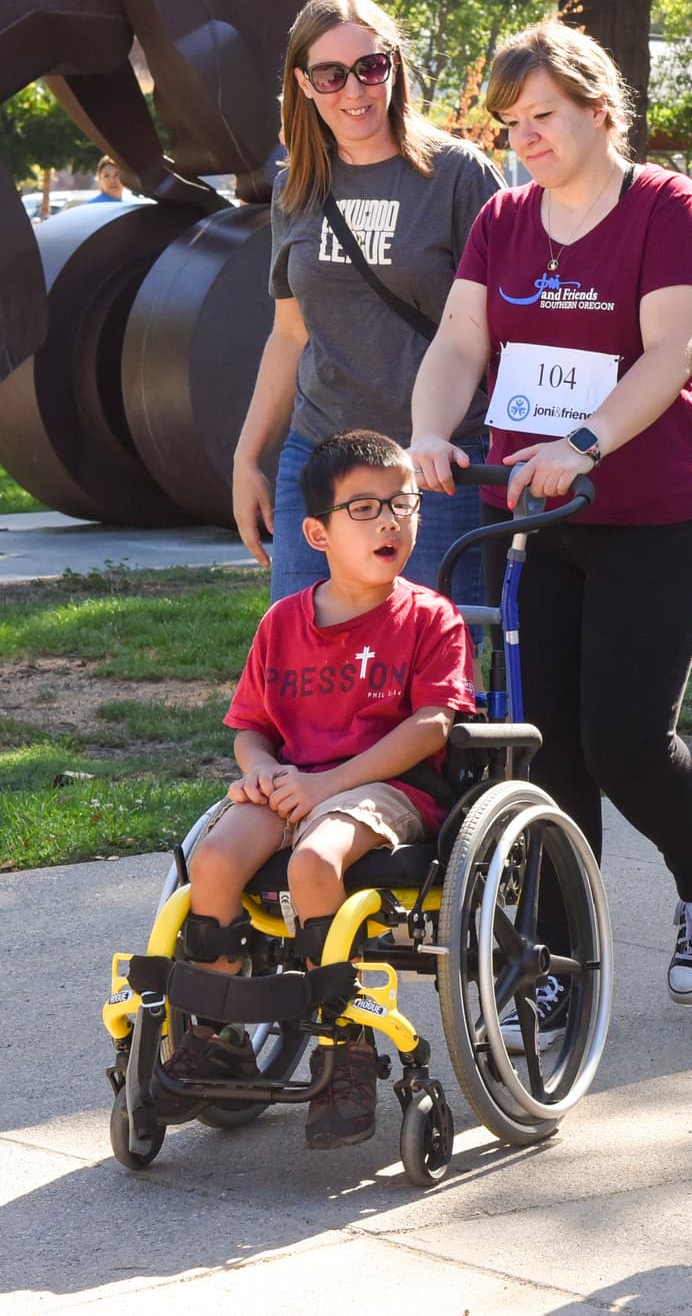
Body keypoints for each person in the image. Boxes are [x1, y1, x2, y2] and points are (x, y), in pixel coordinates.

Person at [408, 19, 692, 1039]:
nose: (526, 140)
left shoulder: (665, 203)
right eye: (512, 123)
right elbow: (463, 338)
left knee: (626, 739)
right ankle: (558, 954)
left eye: (544, 116)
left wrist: (587, 442)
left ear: (602, 109)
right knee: (548, 748)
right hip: (538, 513)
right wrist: (427, 428)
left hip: (651, 510)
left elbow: (675, 345)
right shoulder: (505, 219)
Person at [154, 429, 473, 1149]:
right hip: (294, 782)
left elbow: (430, 728)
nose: (391, 520)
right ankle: (218, 1029)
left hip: (385, 786)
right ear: (316, 533)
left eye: (403, 503)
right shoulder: (283, 624)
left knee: (313, 862)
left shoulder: (429, 617)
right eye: (365, 508)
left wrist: (329, 782)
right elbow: (250, 728)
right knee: (211, 860)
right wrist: (259, 768)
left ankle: (345, 1042)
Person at [231, 0, 502, 605]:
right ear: (303, 83)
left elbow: (498, 326)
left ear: (393, 67)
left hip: (437, 458)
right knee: (307, 651)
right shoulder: (296, 186)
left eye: (368, 68)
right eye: (330, 75)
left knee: (430, 666)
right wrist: (248, 461)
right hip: (322, 455)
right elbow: (290, 336)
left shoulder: (459, 174)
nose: (353, 91)